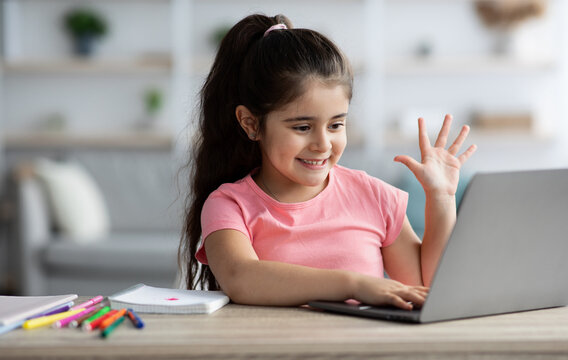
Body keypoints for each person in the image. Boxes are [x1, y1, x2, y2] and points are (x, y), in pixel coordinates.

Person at [179, 14, 477, 310]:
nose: (323, 144)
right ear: (250, 123)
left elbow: (427, 287)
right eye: (302, 127)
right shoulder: (229, 205)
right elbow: (241, 278)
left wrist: (442, 198)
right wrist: (354, 284)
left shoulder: (374, 196)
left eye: (336, 125)